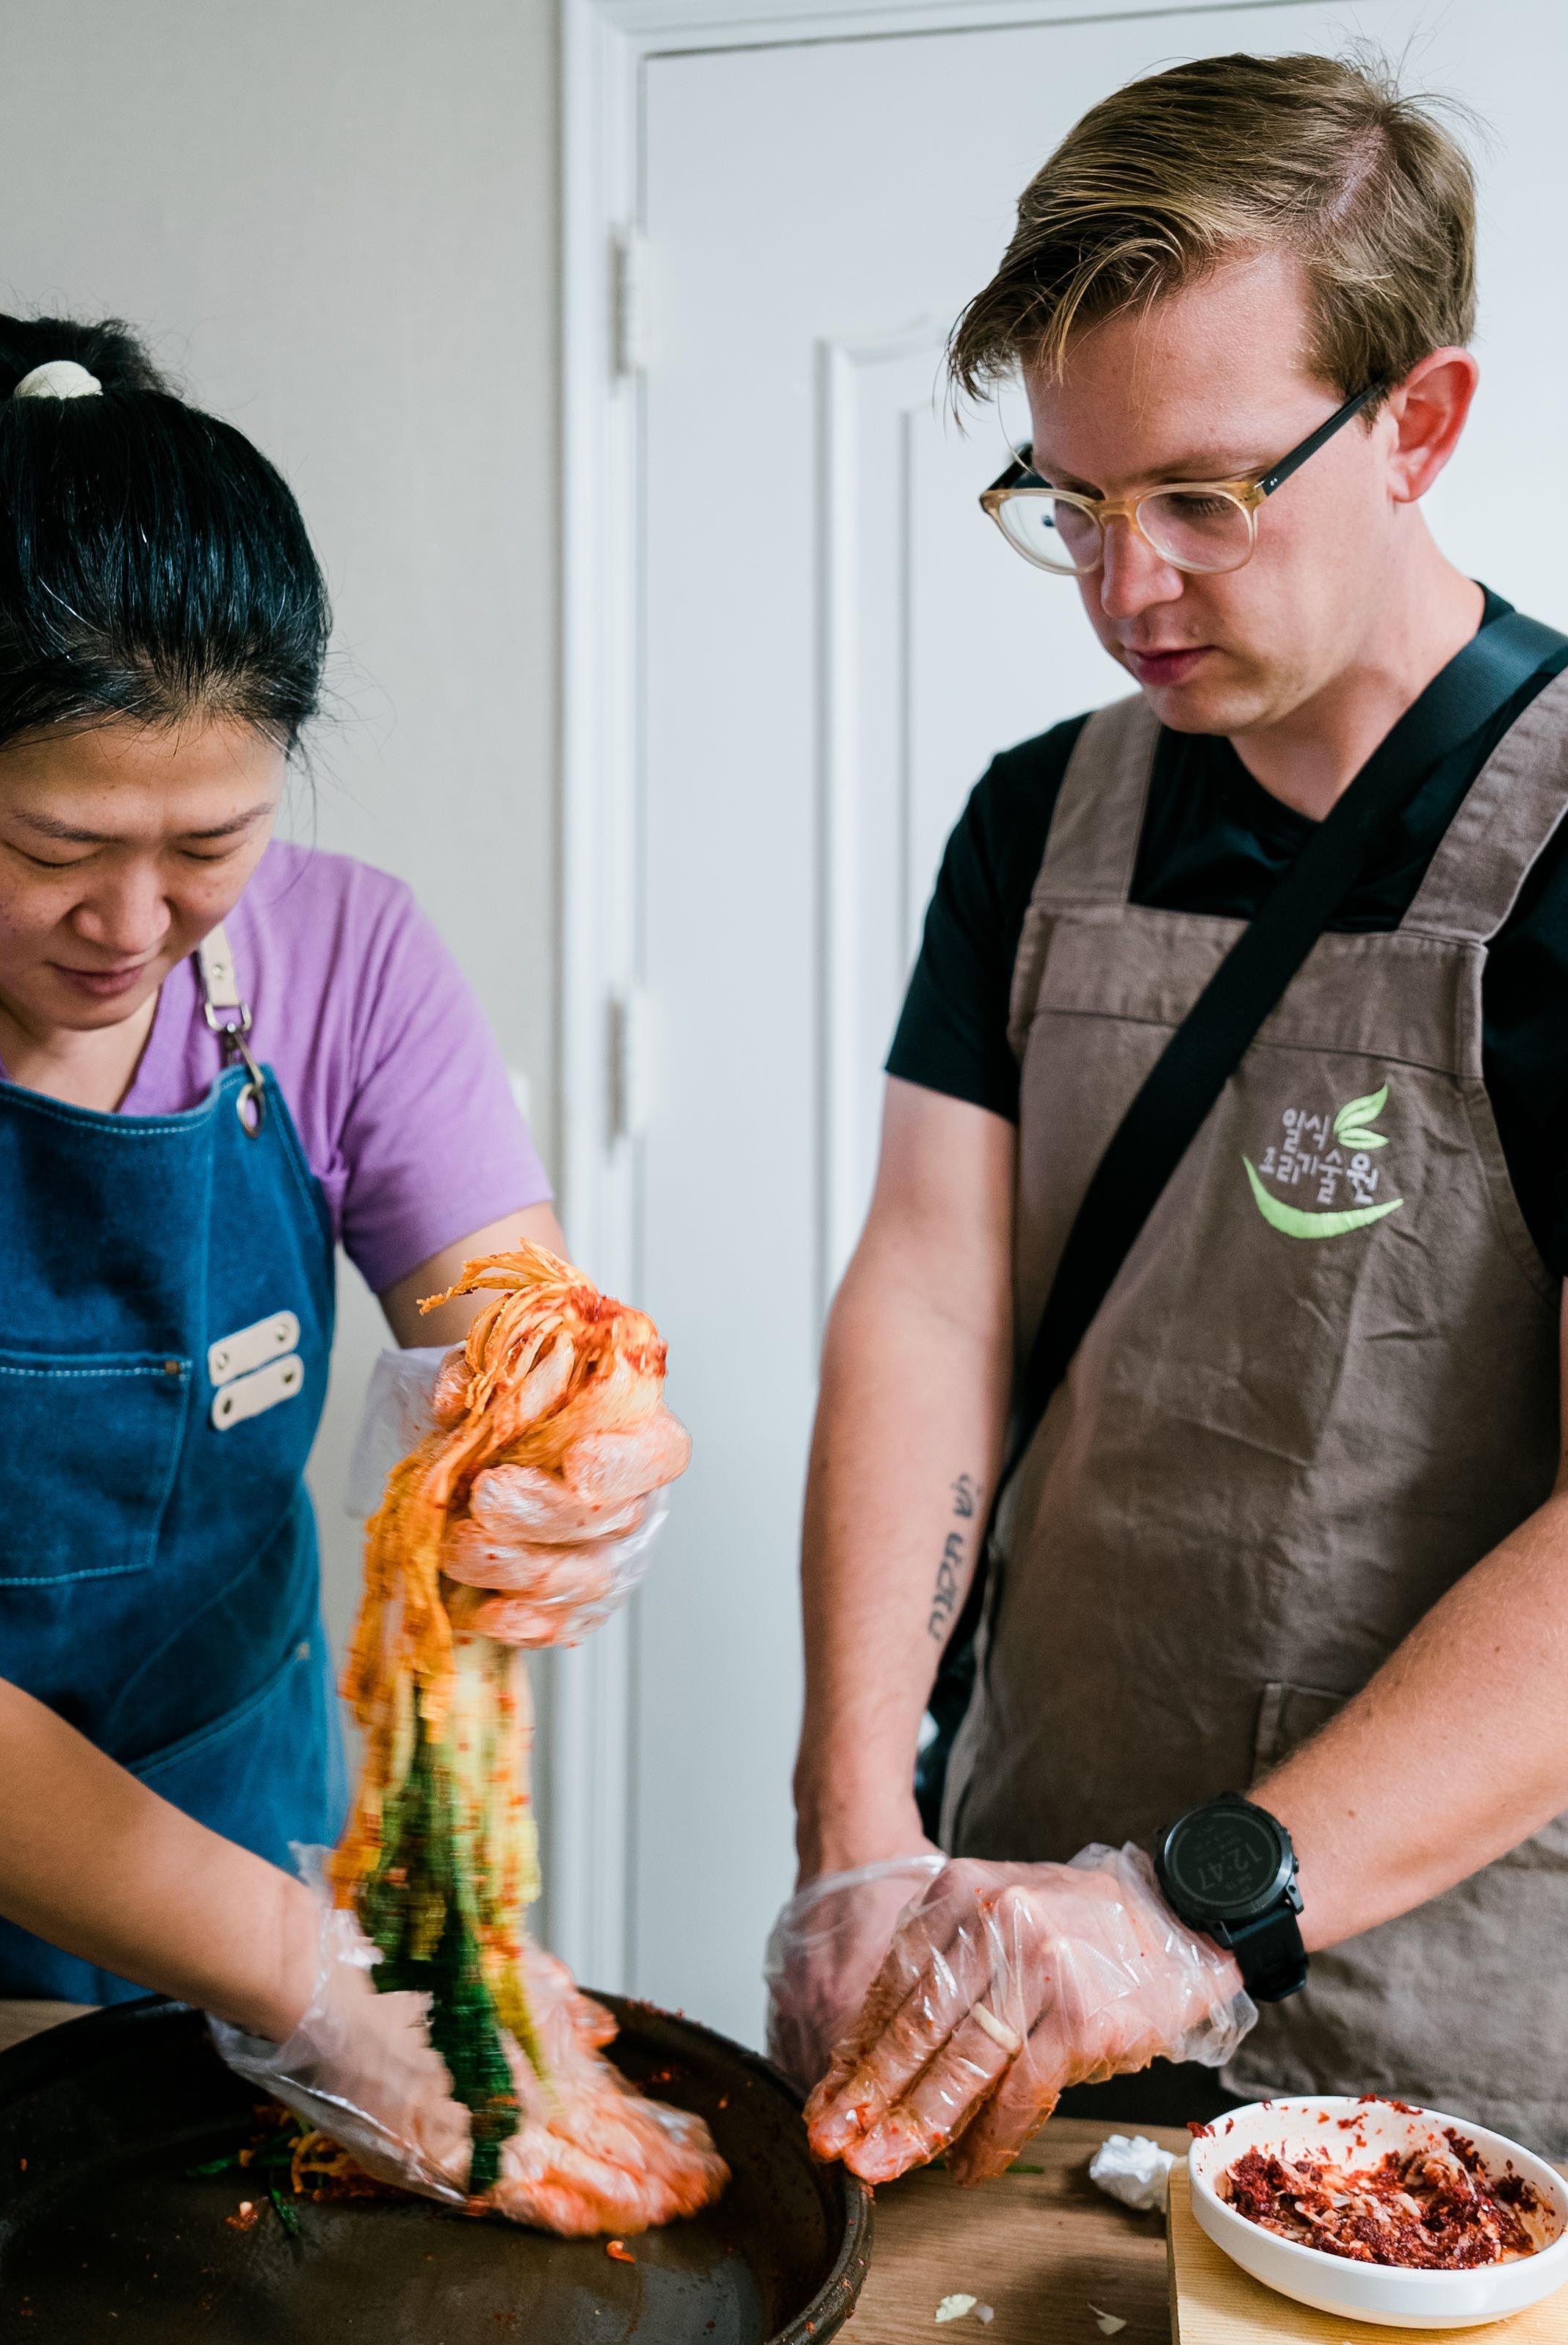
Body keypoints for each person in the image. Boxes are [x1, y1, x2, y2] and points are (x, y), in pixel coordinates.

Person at [0, 309, 673, 2197]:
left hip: (233, 1790)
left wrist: (570, 1444)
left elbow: (515, 1322)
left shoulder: (351, 956)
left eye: (213, 841)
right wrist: (316, 1980)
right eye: (57, 843)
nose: (132, 922)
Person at [773, 51, 1568, 2173]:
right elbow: (931, 1296)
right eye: (1074, 501)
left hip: (1439, 2024)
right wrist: (859, 1812)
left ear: (1421, 425)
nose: (1130, 587)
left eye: (1207, 495)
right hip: (1016, 1932)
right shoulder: (1038, 823)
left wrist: (1198, 1913)